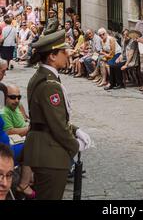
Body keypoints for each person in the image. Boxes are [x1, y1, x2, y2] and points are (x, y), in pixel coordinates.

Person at [23, 30, 91, 200]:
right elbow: (57, 124)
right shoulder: (49, 84)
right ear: (52, 56)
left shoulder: (44, 77)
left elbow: (49, 117)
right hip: (50, 154)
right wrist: (74, 145)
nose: (68, 54)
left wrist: (75, 130)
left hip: (44, 150)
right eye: (63, 51)